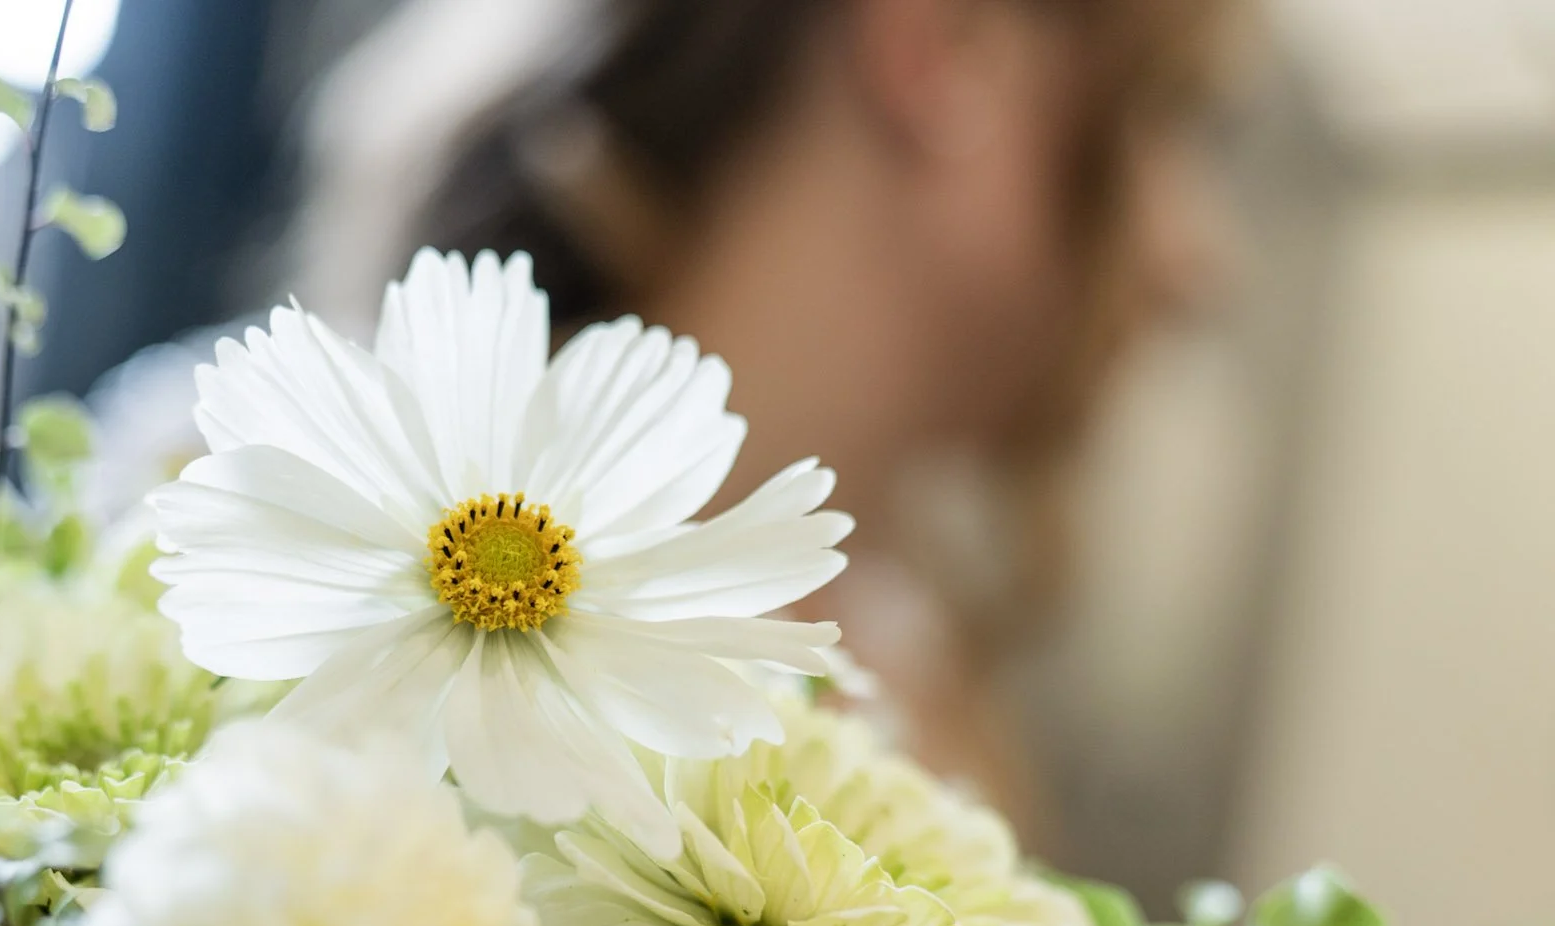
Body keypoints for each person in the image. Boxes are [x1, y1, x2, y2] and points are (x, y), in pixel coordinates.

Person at [286, 0, 1237, 827]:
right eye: (1165, 113)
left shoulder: (929, 703)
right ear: (938, 44)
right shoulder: (297, 506)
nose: (1194, 261)